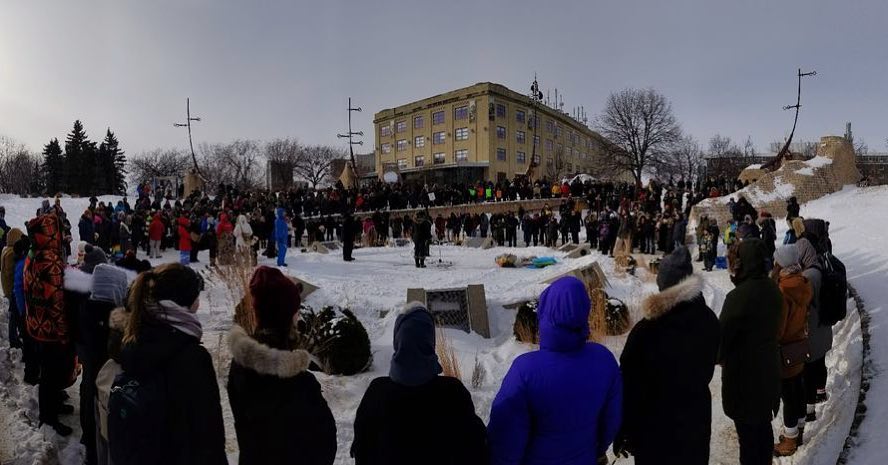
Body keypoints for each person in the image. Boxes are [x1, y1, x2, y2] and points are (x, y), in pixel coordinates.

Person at [488, 276, 622, 465]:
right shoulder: (604, 359)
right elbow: (611, 420)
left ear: (545, 312)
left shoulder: (525, 370)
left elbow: (506, 440)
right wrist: (597, 451)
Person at [111, 263, 227, 464]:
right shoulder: (192, 357)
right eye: (196, 297)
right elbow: (208, 435)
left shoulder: (133, 340)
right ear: (185, 302)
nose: (199, 303)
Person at [615, 247, 719, 464]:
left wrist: (624, 430)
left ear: (664, 283)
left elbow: (629, 386)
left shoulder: (646, 331)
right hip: (695, 423)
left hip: (655, 432)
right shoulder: (709, 319)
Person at [351, 303, 487, 465]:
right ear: (430, 341)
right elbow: (477, 449)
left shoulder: (376, 392)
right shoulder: (453, 393)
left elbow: (362, 451)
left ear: (397, 340)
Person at [228, 266, 336, 465]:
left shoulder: (239, 366)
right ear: (288, 316)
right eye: (295, 311)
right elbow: (324, 444)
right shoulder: (300, 382)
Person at [719, 239, 783, 465]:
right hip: (768, 373)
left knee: (748, 443)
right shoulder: (773, 290)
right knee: (763, 433)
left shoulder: (737, 298)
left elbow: (720, 344)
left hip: (743, 381)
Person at [25, 208, 77, 436]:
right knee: (52, 374)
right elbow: (56, 302)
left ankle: (53, 406)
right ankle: (49, 417)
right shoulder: (50, 261)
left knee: (48, 372)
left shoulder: (33, 255)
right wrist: (65, 333)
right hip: (50, 330)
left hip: (35, 325)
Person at [78, 263, 133, 465]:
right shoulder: (112, 316)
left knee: (88, 400)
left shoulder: (86, 307)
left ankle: (89, 447)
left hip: (90, 379)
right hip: (107, 392)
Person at [771, 245, 813, 456]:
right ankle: (800, 430)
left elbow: (778, 328)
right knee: (798, 391)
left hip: (785, 350)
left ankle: (789, 441)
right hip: (799, 347)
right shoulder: (804, 283)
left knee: (788, 396)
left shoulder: (783, 290)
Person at [797, 237, 830, 421]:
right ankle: (821, 392)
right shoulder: (821, 268)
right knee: (820, 364)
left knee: (808, 372)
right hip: (824, 328)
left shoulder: (808, 277)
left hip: (813, 330)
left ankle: (809, 411)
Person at [2, 228, 24, 348]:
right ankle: (13, 339)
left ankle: (15, 336)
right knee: (14, 314)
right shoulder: (11, 253)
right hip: (12, 288)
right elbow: (10, 271)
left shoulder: (6, 250)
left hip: (9, 287)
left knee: (14, 313)